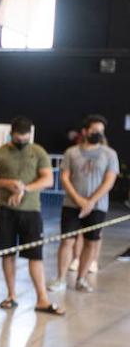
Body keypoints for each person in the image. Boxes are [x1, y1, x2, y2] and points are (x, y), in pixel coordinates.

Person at [0, 116, 63, 315]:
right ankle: (11, 295)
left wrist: (24, 188)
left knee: (35, 255)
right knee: (8, 254)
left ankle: (42, 298)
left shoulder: (37, 151)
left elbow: (47, 179)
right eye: (18, 136)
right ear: (11, 134)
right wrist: (8, 184)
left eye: (25, 136)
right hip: (5, 210)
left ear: (30, 134)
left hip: (31, 211)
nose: (22, 140)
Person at [54, 115, 119, 292]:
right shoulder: (71, 152)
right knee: (67, 241)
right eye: (94, 130)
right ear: (85, 131)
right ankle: (60, 279)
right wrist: (79, 200)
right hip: (71, 205)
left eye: (101, 131)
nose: (97, 134)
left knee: (91, 242)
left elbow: (109, 181)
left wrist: (91, 201)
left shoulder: (110, 154)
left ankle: (81, 279)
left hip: (97, 207)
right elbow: (65, 178)